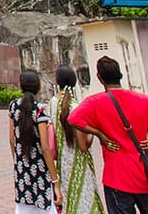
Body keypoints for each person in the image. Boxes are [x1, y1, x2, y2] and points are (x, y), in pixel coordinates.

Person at [68, 56, 148, 214]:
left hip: (116, 176)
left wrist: (99, 134)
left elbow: (73, 119)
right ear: (120, 75)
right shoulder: (142, 99)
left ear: (99, 77)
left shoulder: (94, 102)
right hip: (143, 174)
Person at [49, 64, 105, 214]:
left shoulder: (52, 104)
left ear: (57, 81)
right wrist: (94, 131)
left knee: (70, 203)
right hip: (79, 163)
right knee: (85, 202)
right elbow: (83, 145)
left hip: (63, 164)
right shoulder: (77, 107)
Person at [10, 70, 62, 214]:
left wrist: (19, 161)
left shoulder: (13, 106)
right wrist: (55, 180)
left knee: (24, 208)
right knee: (44, 207)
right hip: (40, 170)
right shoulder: (39, 110)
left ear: (20, 85)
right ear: (39, 87)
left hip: (21, 170)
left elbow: (11, 140)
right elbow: (45, 148)